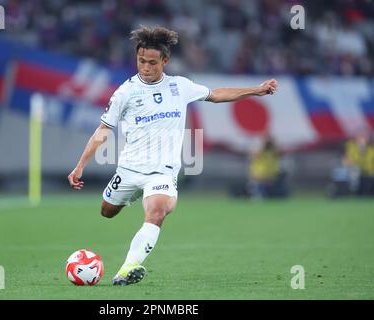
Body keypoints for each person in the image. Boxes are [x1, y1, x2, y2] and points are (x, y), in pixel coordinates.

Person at [67, 26, 278, 285]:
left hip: (162, 172)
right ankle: (133, 196)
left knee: (157, 212)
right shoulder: (125, 93)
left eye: (152, 62)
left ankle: (127, 268)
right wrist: (80, 166)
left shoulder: (180, 86)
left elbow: (217, 94)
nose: (145, 67)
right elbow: (102, 132)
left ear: (165, 61)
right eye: (141, 61)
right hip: (130, 170)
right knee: (107, 211)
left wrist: (255, 90)